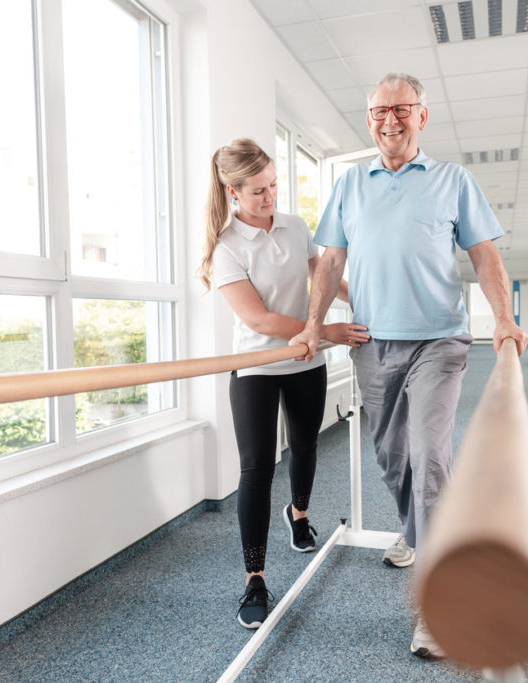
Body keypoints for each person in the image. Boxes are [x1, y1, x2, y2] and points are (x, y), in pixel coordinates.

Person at [290, 74, 528, 658]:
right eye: (378, 111)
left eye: (401, 109)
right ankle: (420, 531)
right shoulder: (349, 183)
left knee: (428, 460)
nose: (389, 120)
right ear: (368, 118)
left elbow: (484, 253)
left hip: (438, 343)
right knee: (392, 459)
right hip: (372, 344)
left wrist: (503, 318)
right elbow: (329, 261)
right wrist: (311, 325)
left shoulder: (453, 180)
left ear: (423, 116)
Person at [198, 138, 370, 630]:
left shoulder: (294, 226)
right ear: (233, 192)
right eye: (258, 191)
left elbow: (321, 273)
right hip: (256, 364)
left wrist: (358, 300)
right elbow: (258, 317)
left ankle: (298, 515)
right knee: (255, 470)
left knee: (305, 445)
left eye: (273, 185)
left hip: (304, 361)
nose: (270, 196)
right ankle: (254, 578)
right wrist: (324, 330)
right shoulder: (226, 247)